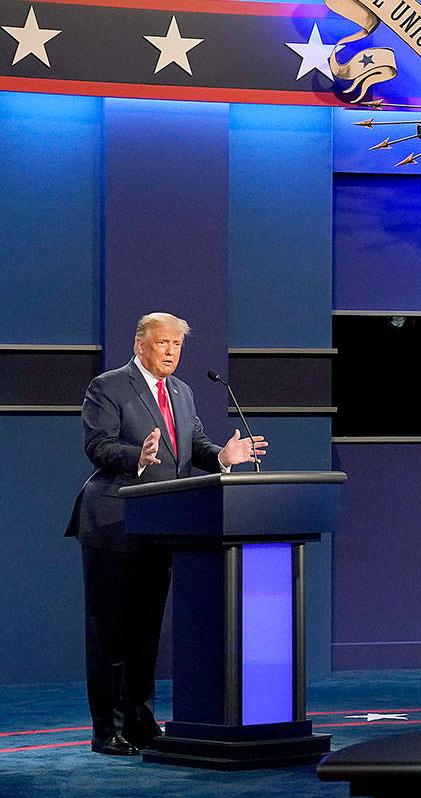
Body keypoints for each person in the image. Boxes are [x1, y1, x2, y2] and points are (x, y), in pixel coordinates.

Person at [66, 313, 267, 756]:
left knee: (145, 633)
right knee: (111, 634)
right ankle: (107, 730)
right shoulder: (109, 386)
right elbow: (97, 444)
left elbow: (193, 445)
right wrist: (137, 455)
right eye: (163, 343)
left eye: (177, 344)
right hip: (113, 524)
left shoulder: (182, 392)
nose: (172, 351)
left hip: (161, 526)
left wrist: (224, 455)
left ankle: (140, 720)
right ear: (141, 344)